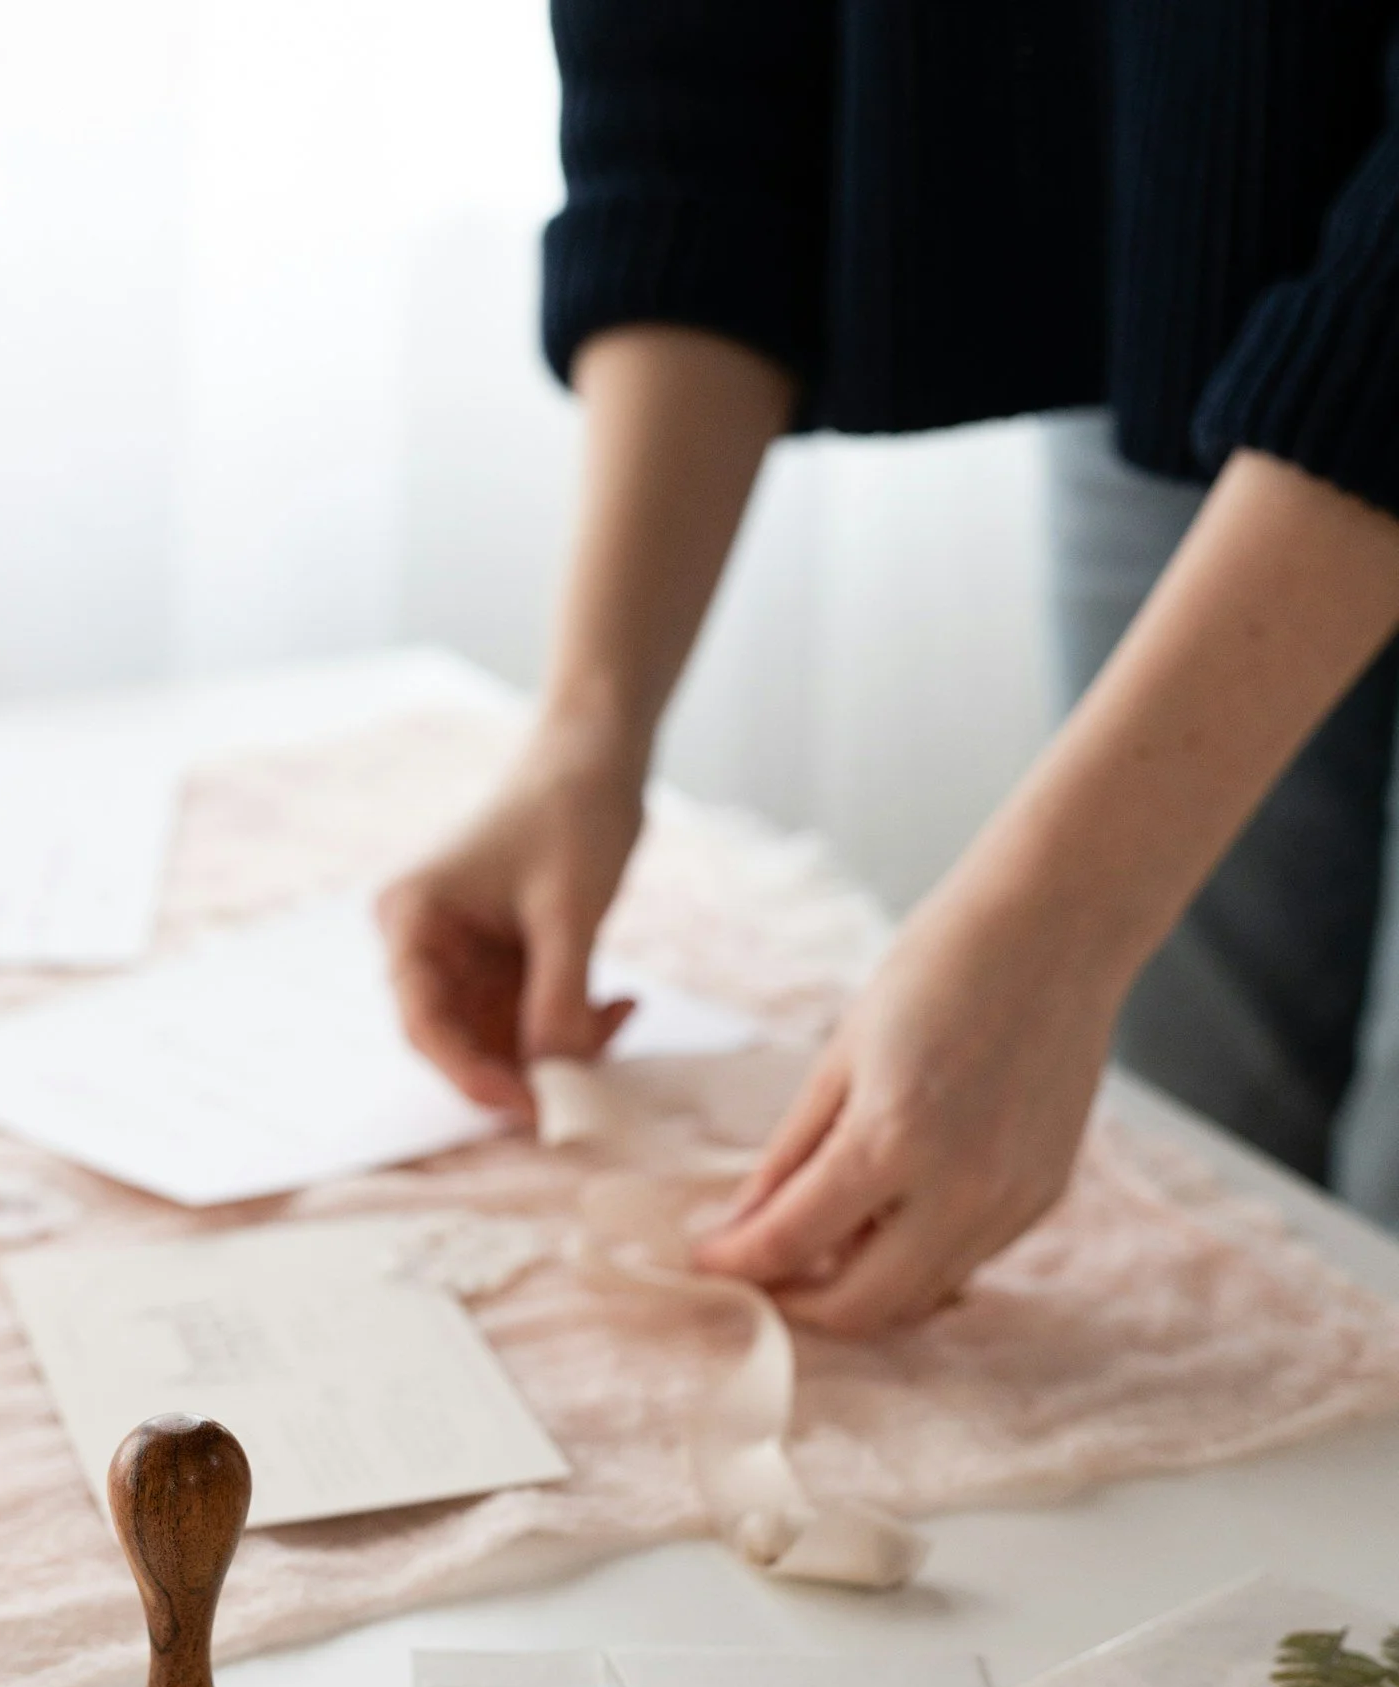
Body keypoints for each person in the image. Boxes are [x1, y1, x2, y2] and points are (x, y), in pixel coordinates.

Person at [380, 3, 1399, 1335]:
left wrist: (1058, 924)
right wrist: (590, 725)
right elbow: (690, 76)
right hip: (1186, 302)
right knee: (1201, 1180)